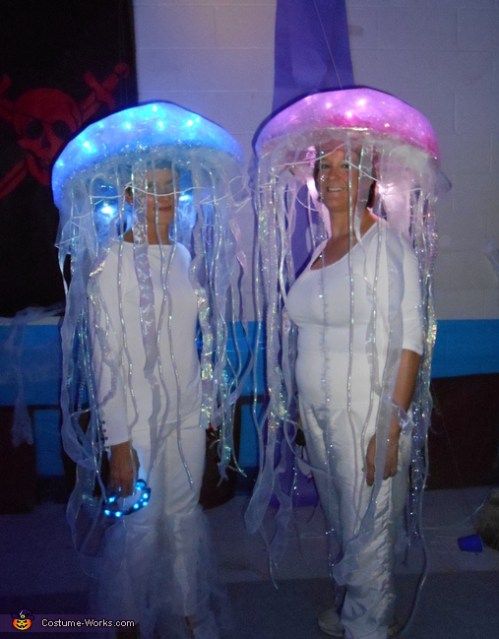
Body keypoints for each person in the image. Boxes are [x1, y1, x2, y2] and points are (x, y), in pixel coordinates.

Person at [247, 88, 441, 639]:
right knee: (344, 521)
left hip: (366, 416)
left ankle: (368, 626)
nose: (332, 176)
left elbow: (409, 344)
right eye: (323, 165)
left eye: (345, 165)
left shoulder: (386, 247)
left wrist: (388, 429)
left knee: (370, 529)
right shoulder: (321, 249)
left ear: (368, 175)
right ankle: (357, 606)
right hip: (321, 416)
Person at [52, 102, 243, 639]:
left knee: (182, 518)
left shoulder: (182, 256)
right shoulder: (108, 266)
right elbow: (106, 361)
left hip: (185, 414)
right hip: (134, 421)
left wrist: (207, 404)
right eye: (151, 189)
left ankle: (187, 610)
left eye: (170, 188)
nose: (164, 200)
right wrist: (117, 441)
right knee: (139, 525)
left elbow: (192, 340)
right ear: (130, 195)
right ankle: (127, 620)